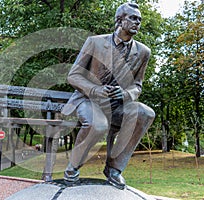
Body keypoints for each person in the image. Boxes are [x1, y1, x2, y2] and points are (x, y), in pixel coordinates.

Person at [61, 2, 155, 190]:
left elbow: (137, 86)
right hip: (88, 99)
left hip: (117, 104)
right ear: (119, 20)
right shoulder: (95, 42)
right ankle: (73, 167)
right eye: (133, 18)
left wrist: (125, 94)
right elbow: (73, 75)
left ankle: (114, 169)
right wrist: (95, 90)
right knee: (99, 124)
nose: (138, 23)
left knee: (145, 113)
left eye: (140, 20)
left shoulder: (143, 52)